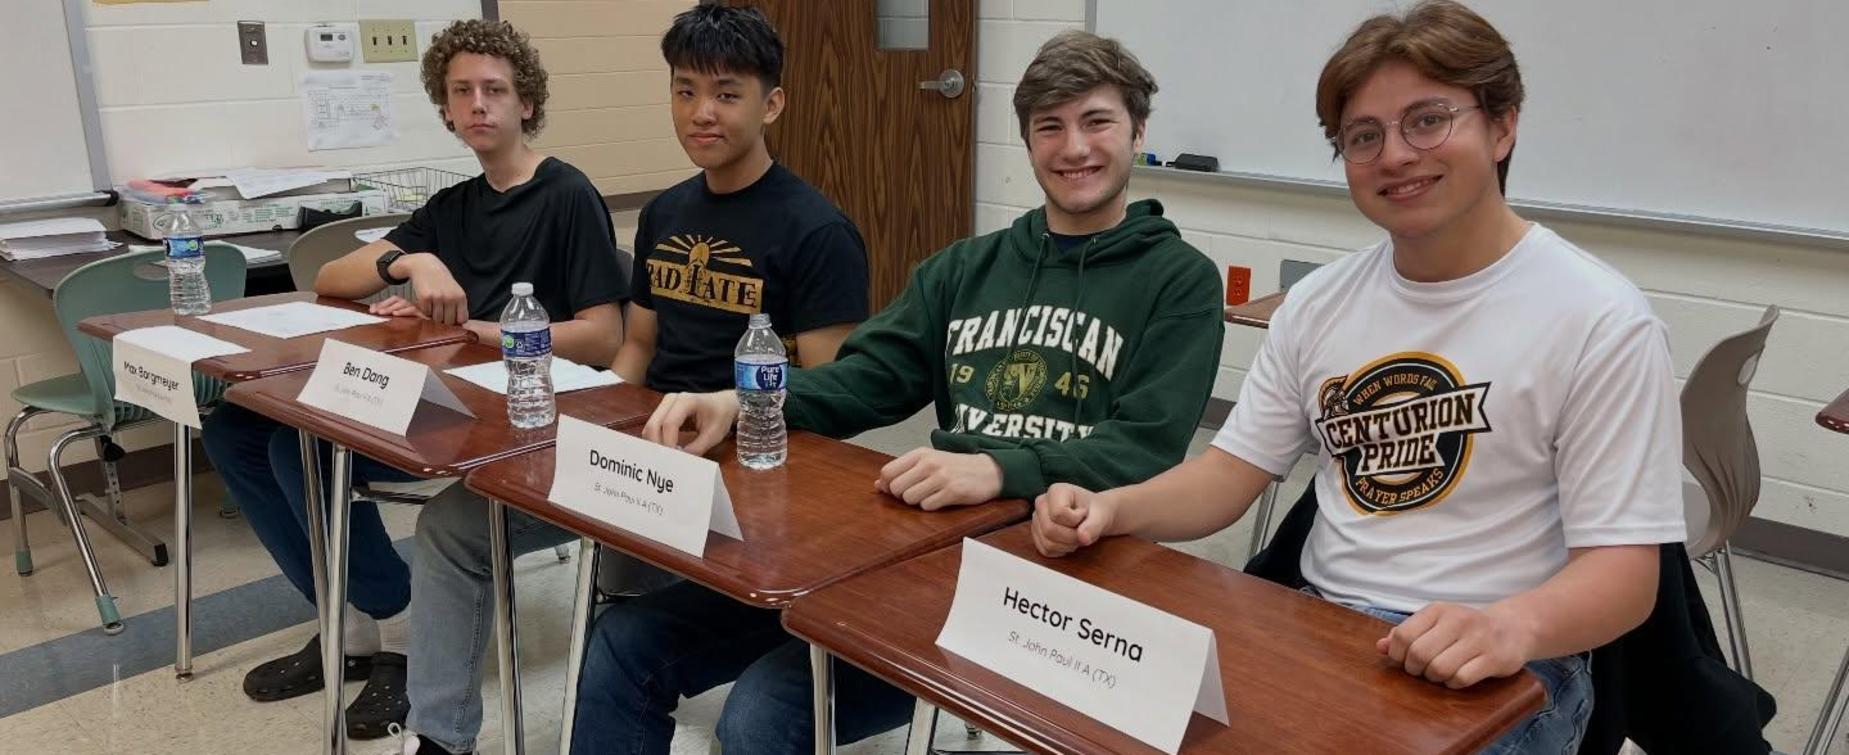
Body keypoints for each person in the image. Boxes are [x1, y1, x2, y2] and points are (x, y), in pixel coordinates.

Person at [1029, 3, 1686, 752]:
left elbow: (1627, 575)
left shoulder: (1599, 318)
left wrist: (1511, 624)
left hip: (1503, 666)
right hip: (1320, 627)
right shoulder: (1317, 305)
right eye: (1362, 136)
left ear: (1502, 125)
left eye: (1427, 120)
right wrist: (1111, 508)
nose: (1394, 155)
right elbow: (1225, 476)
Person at [569, 30, 1224, 754]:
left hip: (1061, 575)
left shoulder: (1180, 281)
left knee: (764, 712)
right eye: (1049, 126)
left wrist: (1003, 469)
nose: (1073, 147)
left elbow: (1148, 445)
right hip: (920, 547)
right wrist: (744, 399)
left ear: (1137, 130)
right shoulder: (964, 268)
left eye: (1095, 121)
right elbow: (865, 378)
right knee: (624, 642)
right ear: (1027, 142)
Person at [382, 6, 871, 755]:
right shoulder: (667, 211)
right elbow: (636, 347)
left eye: (726, 92)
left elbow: (826, 399)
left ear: (770, 103)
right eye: (683, 91)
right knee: (453, 522)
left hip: (741, 467)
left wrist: (728, 428)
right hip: (641, 442)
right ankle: (441, 738)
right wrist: (580, 432)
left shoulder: (817, 231)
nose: (701, 112)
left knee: (636, 621)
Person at [200, 18, 627, 739]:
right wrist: (412, 263)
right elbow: (333, 277)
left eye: (495, 89)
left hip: (520, 404)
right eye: (461, 92)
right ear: (446, 107)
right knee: (239, 425)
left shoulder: (565, 195)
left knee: (294, 451)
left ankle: (392, 627)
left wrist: (475, 330)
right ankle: (351, 622)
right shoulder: (456, 204)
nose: (478, 105)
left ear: (527, 103)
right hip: (449, 390)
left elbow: (602, 334)